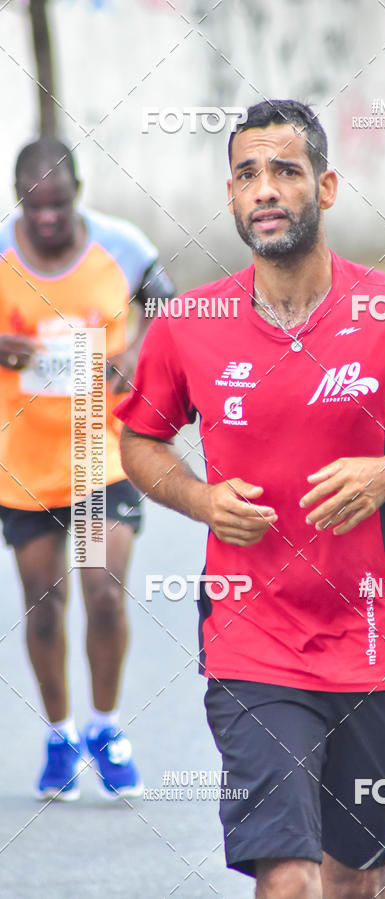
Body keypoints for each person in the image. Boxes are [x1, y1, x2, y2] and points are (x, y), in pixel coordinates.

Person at [116, 100, 385, 898]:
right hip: (252, 639)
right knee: (289, 875)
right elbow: (141, 440)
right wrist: (198, 496)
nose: (266, 189)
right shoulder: (191, 325)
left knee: (355, 877)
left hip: (374, 638)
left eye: (285, 170)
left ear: (324, 186)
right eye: (248, 174)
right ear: (231, 197)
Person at [0, 137, 175, 800]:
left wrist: (138, 358)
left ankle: (106, 726)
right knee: (44, 608)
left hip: (99, 453)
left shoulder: (121, 247)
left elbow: (169, 311)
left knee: (103, 590)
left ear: (78, 191)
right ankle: (59, 735)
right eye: (35, 206)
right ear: (20, 197)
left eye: (60, 203)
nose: (48, 218)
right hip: (21, 463)